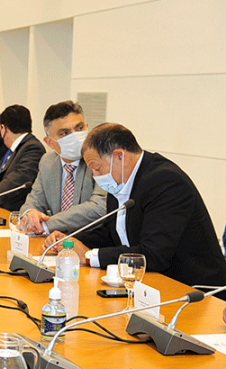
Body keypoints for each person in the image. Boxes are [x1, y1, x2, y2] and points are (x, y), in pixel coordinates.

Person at [45, 123, 226, 297]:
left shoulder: (166, 181)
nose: (96, 176)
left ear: (119, 156)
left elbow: (154, 255)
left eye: (97, 168)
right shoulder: (120, 180)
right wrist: (70, 240)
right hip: (151, 286)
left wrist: (87, 255)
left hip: (196, 291)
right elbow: (111, 233)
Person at [19, 101, 106, 235]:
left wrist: (48, 225)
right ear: (50, 142)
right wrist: (30, 214)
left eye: (79, 128)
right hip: (53, 243)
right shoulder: (47, 162)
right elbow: (33, 201)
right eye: (65, 133)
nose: (75, 136)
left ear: (87, 128)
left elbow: (99, 207)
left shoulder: (101, 160)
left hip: (90, 242)